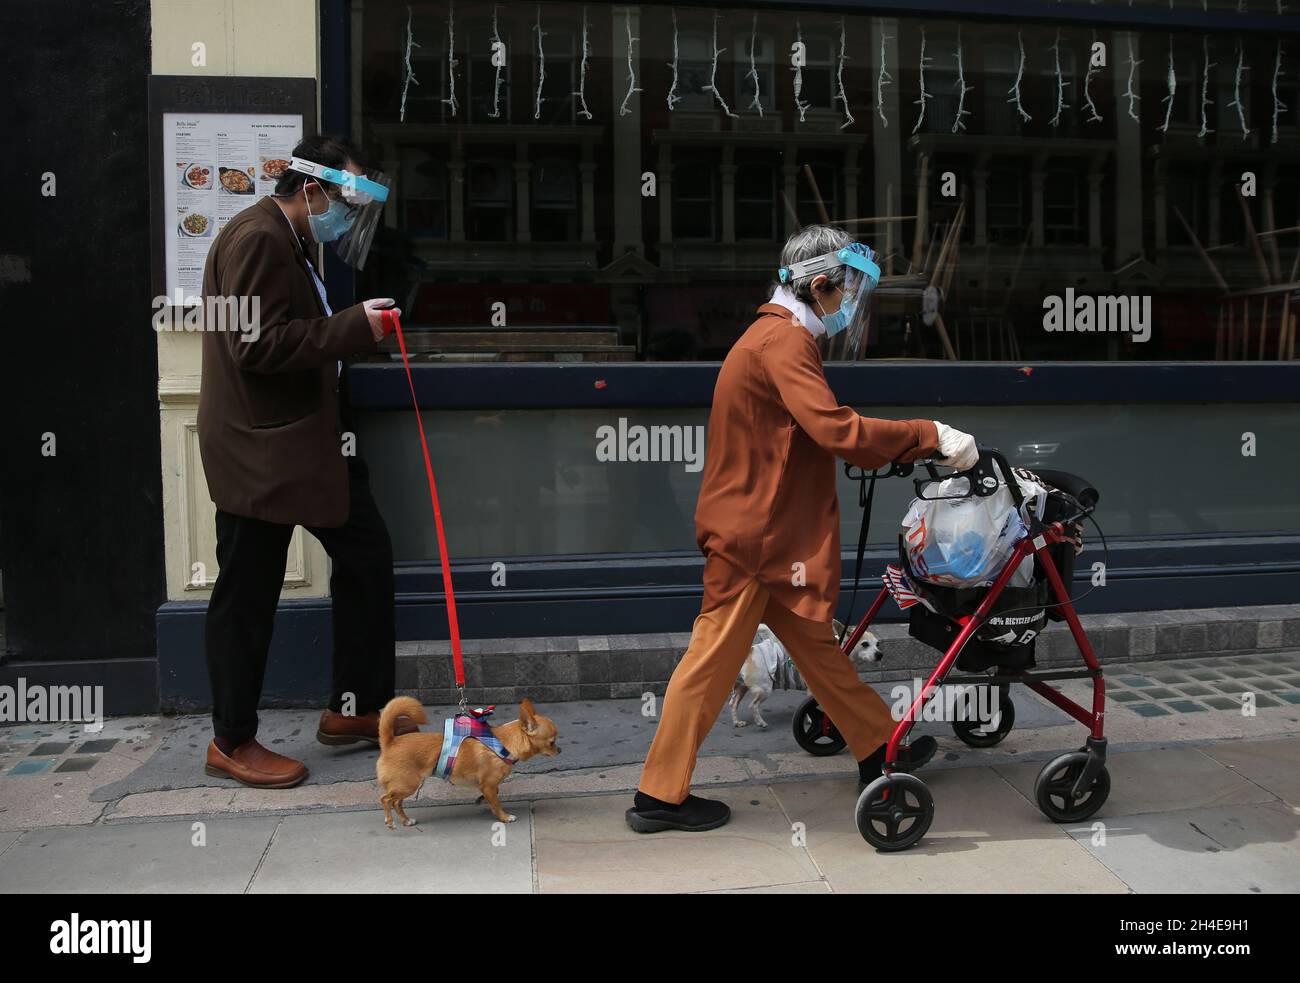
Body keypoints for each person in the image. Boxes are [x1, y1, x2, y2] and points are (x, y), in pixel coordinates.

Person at [627, 225, 980, 833]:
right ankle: (659, 796)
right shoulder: (784, 344)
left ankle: (877, 748)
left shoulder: (773, 336)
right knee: (711, 662)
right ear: (818, 286)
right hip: (757, 539)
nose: (849, 308)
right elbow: (838, 431)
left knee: (815, 646)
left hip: (761, 533)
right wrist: (928, 435)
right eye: (845, 294)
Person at [197, 134, 412, 789]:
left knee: (366, 556)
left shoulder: (290, 240)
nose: (346, 217)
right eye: (344, 201)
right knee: (247, 595)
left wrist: (354, 328)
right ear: (310, 190)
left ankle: (353, 707)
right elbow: (254, 345)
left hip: (306, 447)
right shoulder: (256, 238)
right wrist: (354, 327)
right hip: (264, 454)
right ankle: (231, 739)